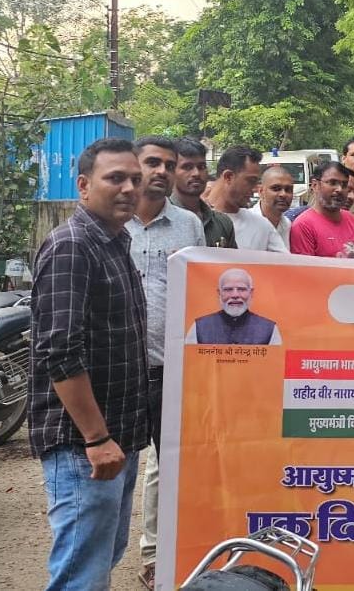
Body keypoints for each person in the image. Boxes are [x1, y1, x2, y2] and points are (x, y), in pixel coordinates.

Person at [29, 138, 149, 591]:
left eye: (134, 179)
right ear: (83, 185)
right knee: (82, 573)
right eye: (115, 178)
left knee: (102, 557)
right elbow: (60, 351)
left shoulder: (115, 241)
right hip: (84, 442)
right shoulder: (72, 246)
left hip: (118, 435)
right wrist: (97, 439)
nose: (129, 188)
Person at [124, 137, 204, 589]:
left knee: (167, 462)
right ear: (134, 167)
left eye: (169, 165)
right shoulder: (112, 222)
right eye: (152, 162)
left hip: (170, 366)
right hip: (119, 369)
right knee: (114, 464)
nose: (162, 171)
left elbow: (199, 293)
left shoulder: (189, 226)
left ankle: (158, 553)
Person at [206, 146, 287, 252]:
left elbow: (286, 261)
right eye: (251, 181)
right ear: (228, 177)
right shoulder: (195, 220)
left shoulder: (262, 226)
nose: (255, 189)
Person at [289, 162, 354, 258]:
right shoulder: (303, 226)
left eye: (344, 185)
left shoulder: (351, 219)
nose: (339, 189)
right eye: (332, 183)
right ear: (315, 185)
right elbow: (304, 267)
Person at [169, 138, 238, 248]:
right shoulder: (159, 220)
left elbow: (232, 259)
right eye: (187, 167)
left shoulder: (222, 223)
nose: (196, 173)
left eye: (201, 167)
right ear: (171, 171)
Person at [185, 268, 282, 345]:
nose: (235, 295)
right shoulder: (199, 327)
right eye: (228, 289)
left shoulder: (270, 329)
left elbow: (275, 363)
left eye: (241, 289)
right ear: (219, 293)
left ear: (251, 293)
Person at [248, 166, 293, 252]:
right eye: (276, 189)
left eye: (288, 189)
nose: (283, 194)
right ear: (261, 191)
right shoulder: (246, 222)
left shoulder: (286, 225)